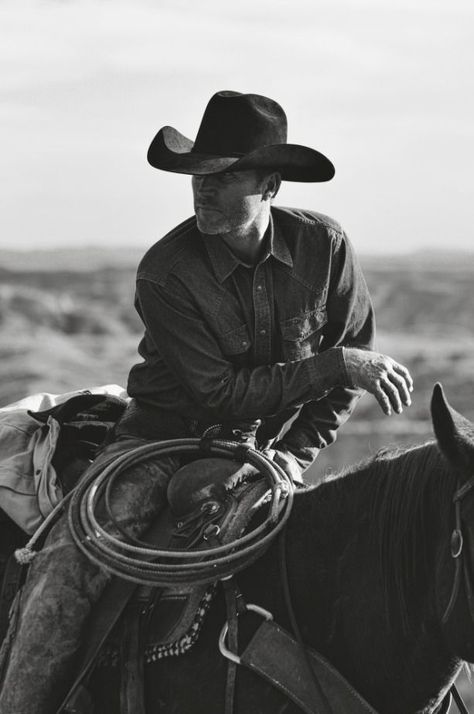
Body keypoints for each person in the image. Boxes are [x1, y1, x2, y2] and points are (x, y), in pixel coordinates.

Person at [0, 90, 413, 714]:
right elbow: (222, 392)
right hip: (161, 441)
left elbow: (347, 365)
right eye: (198, 176)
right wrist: (338, 366)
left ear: (270, 185)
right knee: (65, 575)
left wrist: (297, 454)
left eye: (225, 177)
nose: (204, 190)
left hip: (268, 452)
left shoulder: (323, 248)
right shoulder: (166, 271)